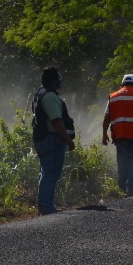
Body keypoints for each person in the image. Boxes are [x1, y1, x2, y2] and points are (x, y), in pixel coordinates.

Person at [31, 66, 75, 215]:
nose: (60, 80)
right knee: (50, 173)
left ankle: (47, 205)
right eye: (58, 78)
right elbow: (57, 121)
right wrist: (68, 140)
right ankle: (45, 206)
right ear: (52, 80)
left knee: (46, 172)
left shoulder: (40, 93)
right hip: (51, 139)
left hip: (43, 138)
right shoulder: (50, 96)